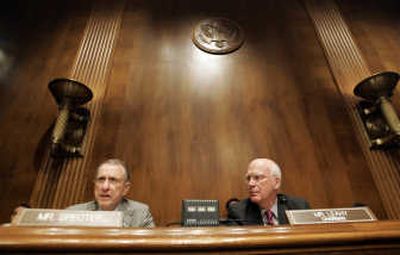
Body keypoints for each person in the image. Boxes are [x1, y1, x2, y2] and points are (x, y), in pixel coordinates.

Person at [66, 159, 155, 227]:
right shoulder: (73, 213)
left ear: (125, 188)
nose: (105, 187)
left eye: (113, 180)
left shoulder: (140, 214)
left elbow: (150, 248)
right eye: (101, 179)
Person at [227, 158, 310, 226]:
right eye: (248, 178)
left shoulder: (298, 207)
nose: (250, 183)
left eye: (257, 178)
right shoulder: (238, 212)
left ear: (276, 183)